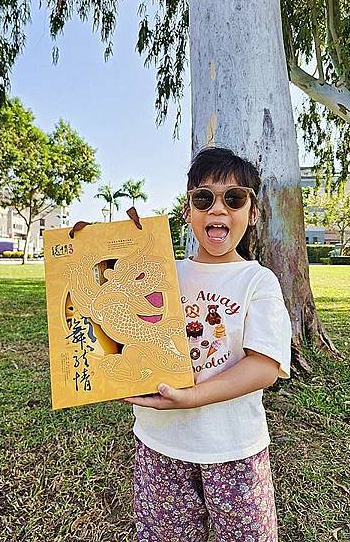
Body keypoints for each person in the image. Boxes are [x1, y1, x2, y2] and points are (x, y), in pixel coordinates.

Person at [124, 146, 292, 542]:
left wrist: (192, 396)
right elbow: (126, 329)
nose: (218, 209)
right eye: (204, 198)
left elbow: (265, 366)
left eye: (234, 199)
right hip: (158, 442)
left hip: (233, 448)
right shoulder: (161, 273)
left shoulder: (258, 281)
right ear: (188, 210)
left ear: (252, 214)